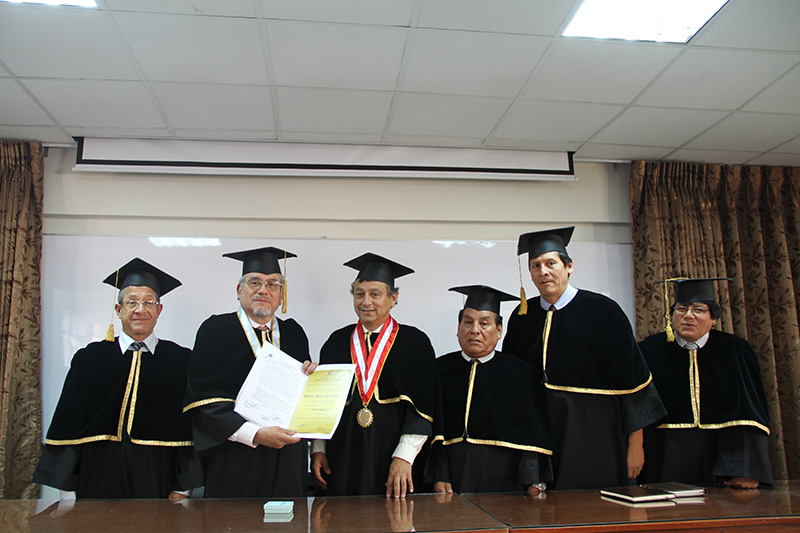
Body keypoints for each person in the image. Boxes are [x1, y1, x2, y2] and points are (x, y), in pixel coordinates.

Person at [502, 227, 666, 490]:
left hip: (597, 436)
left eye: (550, 263)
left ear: (569, 267)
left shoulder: (603, 311)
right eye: (535, 265)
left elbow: (634, 386)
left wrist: (636, 445)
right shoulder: (523, 316)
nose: (543, 271)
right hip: (543, 440)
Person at [33, 258, 201, 500]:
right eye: (131, 302)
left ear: (159, 310)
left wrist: (183, 488)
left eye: (148, 303)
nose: (140, 310)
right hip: (98, 471)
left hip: (156, 473)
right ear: (118, 310)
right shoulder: (90, 359)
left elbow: (188, 432)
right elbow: (69, 423)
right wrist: (67, 491)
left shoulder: (181, 361)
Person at [184, 246, 315, 498]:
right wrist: (255, 434)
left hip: (288, 458)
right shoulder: (216, 330)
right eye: (254, 282)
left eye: (273, 284)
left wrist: (312, 380)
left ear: (281, 294)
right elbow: (203, 401)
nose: (263, 290)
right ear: (239, 290)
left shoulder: (294, 333)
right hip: (237, 456)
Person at [311, 253, 437, 498]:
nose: (366, 302)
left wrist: (404, 457)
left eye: (375, 294)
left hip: (393, 457)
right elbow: (321, 403)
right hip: (343, 456)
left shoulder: (414, 343)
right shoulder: (336, 342)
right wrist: (318, 449)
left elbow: (423, 408)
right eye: (359, 294)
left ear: (393, 298)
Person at [638, 277, 772, 488]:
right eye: (681, 309)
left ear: (713, 319)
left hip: (722, 458)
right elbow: (638, 408)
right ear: (671, 315)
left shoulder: (735, 351)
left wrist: (744, 469)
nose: (688, 316)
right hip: (666, 456)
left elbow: (750, 412)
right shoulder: (649, 351)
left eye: (698, 310)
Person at [427, 285, 553, 495]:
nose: (475, 330)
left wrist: (533, 479)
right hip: (452, 479)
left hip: (506, 478)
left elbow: (532, 433)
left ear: (499, 330)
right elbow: (434, 431)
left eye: (484, 323)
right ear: (458, 327)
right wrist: (439, 474)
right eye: (468, 322)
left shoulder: (520, 373)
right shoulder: (440, 370)